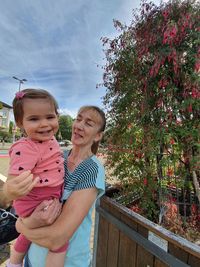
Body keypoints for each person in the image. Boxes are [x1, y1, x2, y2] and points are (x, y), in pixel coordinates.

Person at [3, 105, 106, 267]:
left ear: (98, 135)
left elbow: (57, 239)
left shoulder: (91, 169)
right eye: (78, 119)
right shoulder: (58, 158)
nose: (79, 125)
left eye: (88, 123)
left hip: (69, 262)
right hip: (32, 258)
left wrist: (21, 225)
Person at [4, 89, 67, 267]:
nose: (44, 124)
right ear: (19, 123)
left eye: (50, 117)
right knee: (60, 240)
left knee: (27, 233)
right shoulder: (25, 148)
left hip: (46, 195)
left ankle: (14, 262)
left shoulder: (51, 139)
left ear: (57, 116)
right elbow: (14, 180)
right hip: (36, 199)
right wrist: (11, 188)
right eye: (34, 119)